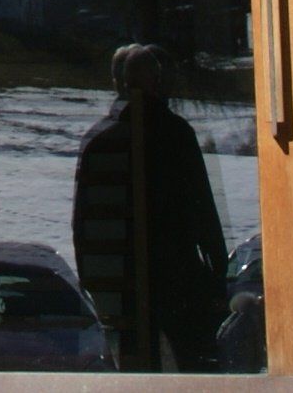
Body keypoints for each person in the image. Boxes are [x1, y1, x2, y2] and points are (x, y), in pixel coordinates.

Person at [70, 44, 230, 371]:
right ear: (157, 82)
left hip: (122, 281)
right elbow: (202, 210)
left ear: (118, 84)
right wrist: (216, 272)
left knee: (136, 370)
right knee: (193, 368)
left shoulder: (100, 140)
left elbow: (83, 223)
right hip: (177, 277)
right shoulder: (176, 134)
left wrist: (96, 282)